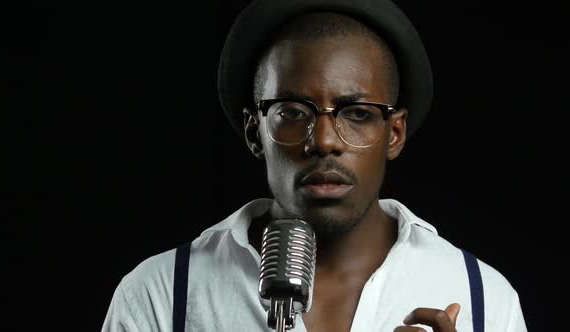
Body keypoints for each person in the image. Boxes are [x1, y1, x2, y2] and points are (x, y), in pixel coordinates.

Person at [102, 0, 527, 331]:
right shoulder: (161, 294)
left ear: (394, 133)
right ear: (255, 132)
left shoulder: (482, 296)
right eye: (292, 112)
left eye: (356, 112)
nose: (323, 140)